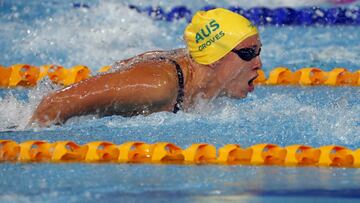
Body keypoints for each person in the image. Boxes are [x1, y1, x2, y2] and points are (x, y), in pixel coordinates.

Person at [29, 8, 262, 127]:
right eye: (248, 53)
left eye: (258, 51)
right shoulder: (157, 86)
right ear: (214, 57)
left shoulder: (205, 88)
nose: (258, 63)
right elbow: (54, 104)